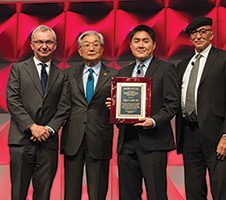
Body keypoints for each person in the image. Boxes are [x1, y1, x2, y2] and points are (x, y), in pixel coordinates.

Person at [175, 17, 226, 200]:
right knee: (193, 190)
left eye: (203, 31)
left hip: (217, 135)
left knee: (220, 189)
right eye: (194, 33)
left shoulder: (224, 58)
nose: (198, 36)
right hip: (189, 133)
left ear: (211, 34)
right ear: (190, 38)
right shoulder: (183, 65)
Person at [113, 25, 179, 200]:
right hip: (127, 142)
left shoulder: (166, 69)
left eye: (145, 41)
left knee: (156, 194)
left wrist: (154, 121)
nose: (140, 45)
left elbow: (172, 103)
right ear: (130, 45)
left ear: (154, 45)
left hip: (154, 142)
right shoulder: (123, 72)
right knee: (127, 195)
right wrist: (114, 107)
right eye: (136, 41)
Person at [6, 25, 70, 200]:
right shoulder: (18, 69)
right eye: (39, 42)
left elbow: (63, 108)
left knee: (44, 194)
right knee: (18, 193)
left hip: (47, 143)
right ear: (32, 45)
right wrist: (32, 126)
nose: (44, 46)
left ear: (55, 45)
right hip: (21, 141)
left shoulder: (62, 75)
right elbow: (13, 101)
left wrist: (48, 129)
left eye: (48, 42)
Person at [60, 30, 117, 200]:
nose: (91, 48)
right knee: (71, 192)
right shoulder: (68, 74)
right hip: (73, 139)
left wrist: (115, 107)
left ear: (102, 49)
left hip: (100, 138)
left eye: (95, 44)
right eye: (86, 45)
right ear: (79, 50)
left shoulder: (115, 75)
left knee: (98, 192)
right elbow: (61, 104)